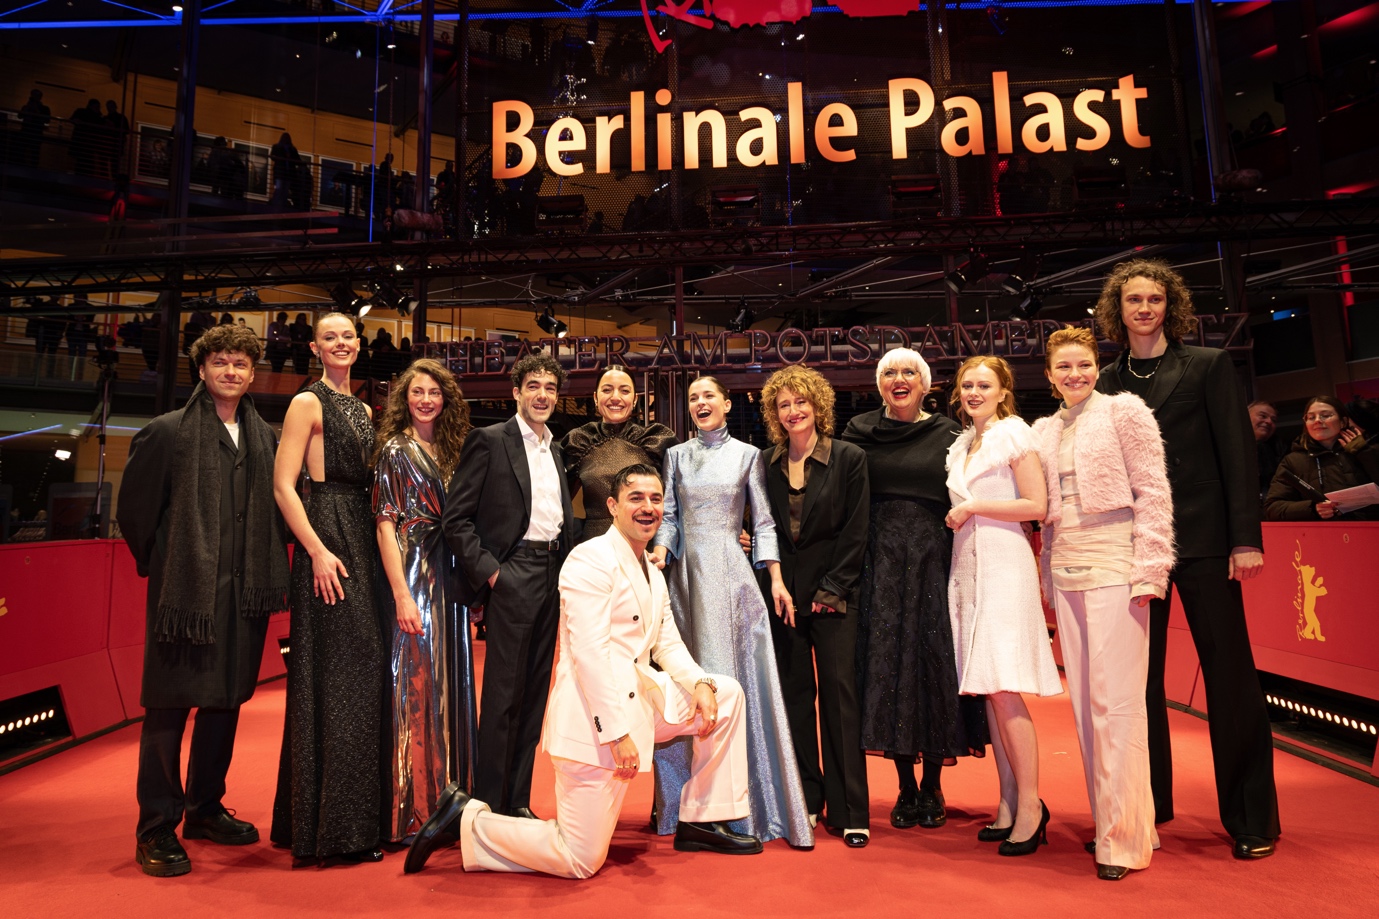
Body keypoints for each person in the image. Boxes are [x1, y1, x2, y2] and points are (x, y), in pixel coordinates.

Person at [405, 465, 761, 878]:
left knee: (726, 693)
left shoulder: (650, 569)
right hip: (594, 726)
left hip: (641, 700)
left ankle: (701, 819)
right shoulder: (589, 560)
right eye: (636, 498)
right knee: (579, 858)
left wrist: (699, 682)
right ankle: (468, 819)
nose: (648, 508)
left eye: (656, 499)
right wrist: (616, 733)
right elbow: (589, 654)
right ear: (612, 506)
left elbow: (667, 643)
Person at [1094, 258, 1280, 859]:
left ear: (1168, 305)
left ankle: (1252, 819)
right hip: (1134, 548)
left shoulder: (1208, 364)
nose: (1143, 308)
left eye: (1153, 299)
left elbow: (1236, 454)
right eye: (1132, 300)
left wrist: (1244, 537)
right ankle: (1152, 805)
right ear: (1116, 311)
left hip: (1203, 541)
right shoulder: (1104, 381)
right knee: (1138, 684)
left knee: (1230, 678)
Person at [116, 323, 290, 877]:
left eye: (241, 363)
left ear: (251, 370)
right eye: (220, 362)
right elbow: (136, 515)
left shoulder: (265, 437)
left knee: (225, 702)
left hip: (244, 595)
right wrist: (167, 566)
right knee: (169, 711)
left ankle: (204, 807)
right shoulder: (167, 432)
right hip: (184, 599)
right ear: (202, 369)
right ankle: (156, 828)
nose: (231, 371)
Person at [1031, 327, 1176, 880]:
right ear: (1049, 376)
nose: (1075, 375)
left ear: (1097, 366)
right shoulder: (1043, 429)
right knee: (1086, 706)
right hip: (1066, 568)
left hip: (1118, 564)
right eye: (1064, 367)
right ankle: (1119, 820)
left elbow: (1154, 492)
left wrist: (1152, 569)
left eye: (1084, 364)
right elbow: (1042, 509)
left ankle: (1123, 840)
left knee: (1118, 705)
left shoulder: (1126, 412)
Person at [650, 377, 813, 848]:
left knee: (736, 683)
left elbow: (762, 522)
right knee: (689, 684)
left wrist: (776, 578)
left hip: (733, 578)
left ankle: (744, 807)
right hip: (685, 581)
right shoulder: (676, 456)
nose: (701, 403)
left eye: (709, 397)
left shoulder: (748, 455)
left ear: (726, 404)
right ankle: (684, 808)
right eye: (694, 398)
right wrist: (661, 552)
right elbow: (671, 515)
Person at [841, 347, 988, 833]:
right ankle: (904, 786)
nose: (898, 379)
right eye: (889, 373)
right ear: (879, 384)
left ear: (926, 385)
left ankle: (933, 786)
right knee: (887, 668)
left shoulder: (951, 435)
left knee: (930, 664)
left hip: (933, 559)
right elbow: (836, 495)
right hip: (878, 561)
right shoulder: (858, 432)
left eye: (909, 372)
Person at [269, 312, 387, 866]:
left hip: (360, 537)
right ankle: (333, 831)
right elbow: (282, 484)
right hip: (327, 540)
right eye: (330, 337)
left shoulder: (364, 409)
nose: (340, 343)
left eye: (348, 336)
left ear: (359, 346)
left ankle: (351, 820)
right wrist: (315, 550)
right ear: (315, 347)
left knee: (360, 676)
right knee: (335, 676)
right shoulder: (306, 403)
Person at [442, 352, 576, 819]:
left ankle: (516, 802)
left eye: (551, 388)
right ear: (515, 392)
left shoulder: (555, 449)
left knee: (534, 695)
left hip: (551, 573)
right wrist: (494, 572)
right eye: (533, 386)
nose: (543, 395)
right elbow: (455, 519)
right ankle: (488, 806)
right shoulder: (490, 440)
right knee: (502, 698)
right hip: (513, 572)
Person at [945, 355, 1060, 857]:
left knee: (1006, 688)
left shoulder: (1015, 434)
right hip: (968, 566)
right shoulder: (963, 443)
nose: (973, 391)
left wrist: (973, 505)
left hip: (1004, 563)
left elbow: (1037, 506)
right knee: (991, 688)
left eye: (983, 384)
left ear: (1002, 390)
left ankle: (1032, 806)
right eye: (967, 384)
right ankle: (1009, 799)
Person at [759, 367, 871, 847]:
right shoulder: (766, 462)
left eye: (800, 402)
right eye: (783, 404)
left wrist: (832, 589)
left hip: (835, 596)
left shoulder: (849, 458)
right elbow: (766, 529)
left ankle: (851, 810)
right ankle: (807, 795)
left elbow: (856, 530)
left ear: (818, 405)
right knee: (796, 701)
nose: (793, 411)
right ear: (774, 413)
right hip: (783, 598)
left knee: (840, 701)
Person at [374, 359, 473, 842]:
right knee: (417, 687)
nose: (426, 399)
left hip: (450, 575)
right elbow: (385, 523)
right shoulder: (396, 449)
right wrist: (400, 593)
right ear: (405, 398)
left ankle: (453, 799)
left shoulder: (453, 450)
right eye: (418, 392)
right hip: (414, 572)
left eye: (435, 391)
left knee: (449, 685)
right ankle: (415, 809)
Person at [562, 364, 677, 543]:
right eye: (607, 390)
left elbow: (676, 503)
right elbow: (555, 501)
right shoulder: (579, 441)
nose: (615, 397)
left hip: (644, 546)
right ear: (595, 397)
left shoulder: (655, 440)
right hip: (595, 548)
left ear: (634, 398)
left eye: (624, 391)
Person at [1264, 396, 1379, 521]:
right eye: (1311, 417)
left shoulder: (1366, 450)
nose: (1318, 420)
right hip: (1321, 534)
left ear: (1343, 421)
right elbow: (1273, 508)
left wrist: (1365, 453)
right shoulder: (1293, 461)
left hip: (1370, 530)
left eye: (1326, 415)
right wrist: (1313, 508)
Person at [1250, 401, 1288, 500]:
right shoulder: (1224, 448)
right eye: (1263, 416)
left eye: (1273, 420)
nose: (1269, 422)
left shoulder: (1280, 453)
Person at [18, 89, 50, 168]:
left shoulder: (45, 109)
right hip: (26, 132)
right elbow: (20, 116)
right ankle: (22, 166)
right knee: (22, 151)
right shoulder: (26, 107)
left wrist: (36, 111)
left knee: (34, 153)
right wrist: (27, 108)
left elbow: (47, 120)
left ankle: (33, 168)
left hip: (36, 133)